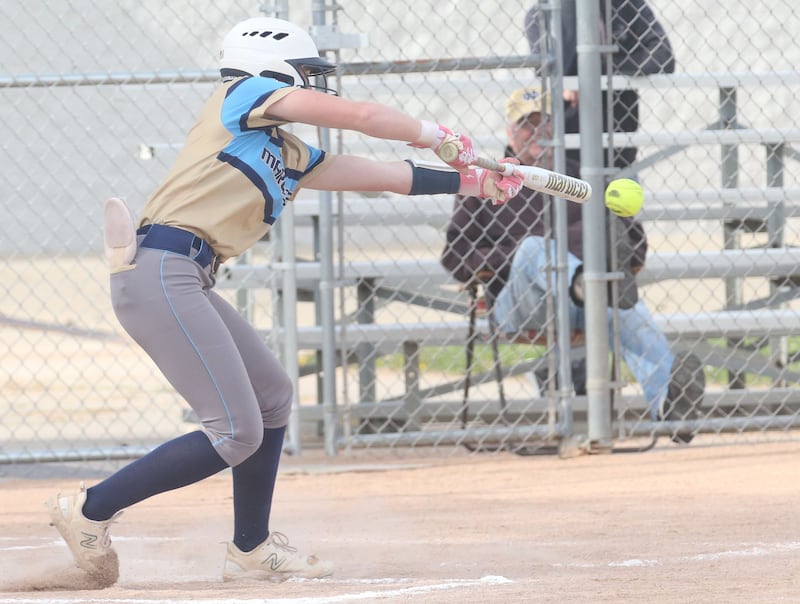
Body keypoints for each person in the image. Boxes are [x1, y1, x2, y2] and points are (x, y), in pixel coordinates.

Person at [46, 17, 524, 587]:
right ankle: (92, 508)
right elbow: (365, 118)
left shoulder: (284, 152)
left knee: (271, 398)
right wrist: (432, 131)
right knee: (234, 431)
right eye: (302, 75)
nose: (311, 86)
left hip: (186, 275)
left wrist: (475, 182)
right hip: (160, 268)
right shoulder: (239, 95)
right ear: (268, 66)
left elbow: (382, 175)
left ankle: (250, 548)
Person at [440, 85, 704, 444]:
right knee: (535, 249)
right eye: (527, 124)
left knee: (626, 310)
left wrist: (575, 243)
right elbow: (455, 255)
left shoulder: (582, 178)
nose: (539, 131)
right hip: (519, 304)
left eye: (546, 122)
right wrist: (518, 255)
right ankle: (579, 279)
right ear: (509, 132)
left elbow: (634, 243)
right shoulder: (487, 180)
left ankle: (671, 412)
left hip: (584, 302)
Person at [525, 0, 675, 170]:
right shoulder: (543, 13)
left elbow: (663, 56)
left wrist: (600, 69)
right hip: (565, 154)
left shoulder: (626, 5)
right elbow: (546, 71)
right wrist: (567, 82)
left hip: (619, 151)